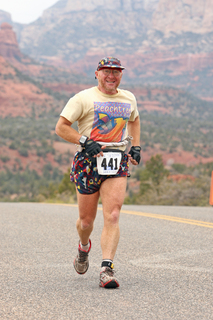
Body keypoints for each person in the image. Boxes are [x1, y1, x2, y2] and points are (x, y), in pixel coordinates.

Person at [55, 57, 141, 289]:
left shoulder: (128, 98)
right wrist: (85, 140)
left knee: (113, 214)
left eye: (116, 72)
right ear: (97, 74)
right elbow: (61, 127)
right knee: (86, 222)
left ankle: (106, 269)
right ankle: (84, 247)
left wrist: (136, 146)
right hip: (88, 161)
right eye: (106, 72)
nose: (111, 76)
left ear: (121, 75)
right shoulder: (83, 98)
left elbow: (135, 120)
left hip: (116, 160)